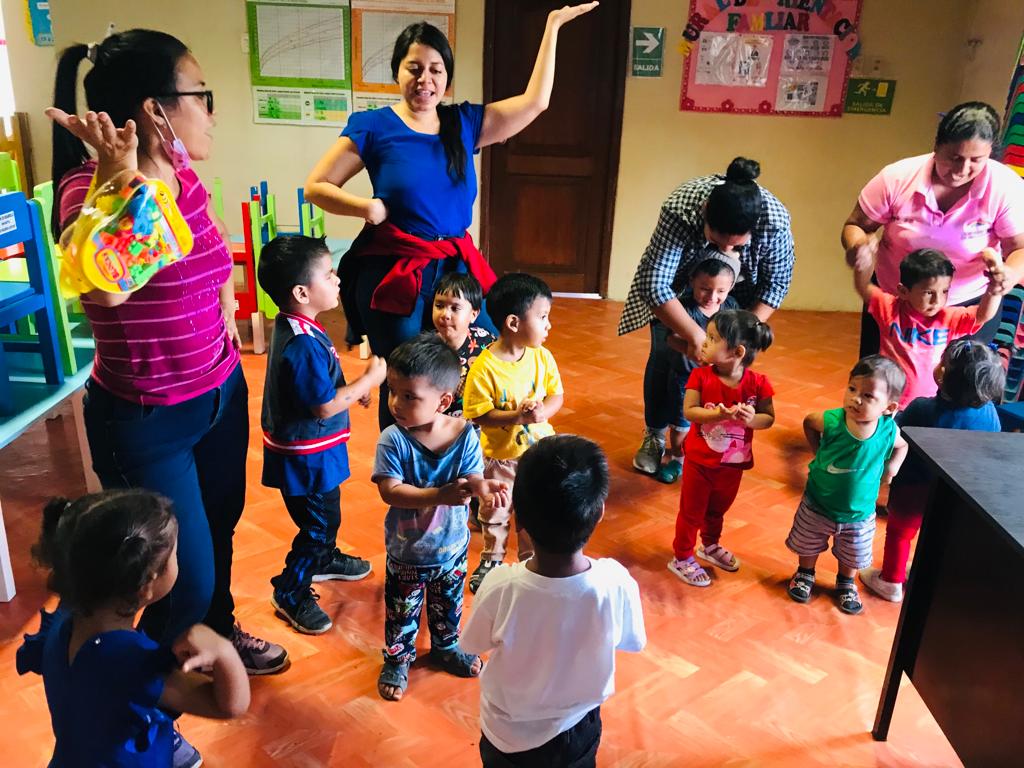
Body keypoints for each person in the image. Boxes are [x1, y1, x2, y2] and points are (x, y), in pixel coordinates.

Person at [47, 29, 287, 701]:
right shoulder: (84, 191)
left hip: (218, 392)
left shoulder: (179, 169)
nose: (211, 111)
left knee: (219, 529)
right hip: (148, 421)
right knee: (176, 579)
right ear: (155, 108)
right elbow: (109, 288)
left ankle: (216, 634)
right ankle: (143, 707)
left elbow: (209, 254)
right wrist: (119, 176)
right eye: (201, 94)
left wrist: (224, 322)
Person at [304, 4, 598, 428]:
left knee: (476, 357)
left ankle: (457, 453)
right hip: (396, 270)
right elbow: (317, 186)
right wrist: (365, 207)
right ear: (397, 72)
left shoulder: (463, 122)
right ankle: (401, 459)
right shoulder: (374, 126)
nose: (425, 79)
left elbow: (536, 102)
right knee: (404, 376)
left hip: (456, 267)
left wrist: (552, 26)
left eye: (435, 70)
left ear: (447, 76)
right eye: (414, 68)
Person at [16, 491, 249, 768]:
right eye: (175, 555)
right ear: (147, 584)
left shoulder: (64, 617)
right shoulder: (131, 662)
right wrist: (223, 650)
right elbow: (230, 705)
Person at [460, 435, 646, 768]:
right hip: (577, 730)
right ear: (599, 512)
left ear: (519, 519)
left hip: (505, 734)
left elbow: (472, 644)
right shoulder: (614, 582)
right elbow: (633, 641)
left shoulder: (501, 585)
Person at [618, 157, 794, 477]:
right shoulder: (681, 207)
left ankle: (701, 435)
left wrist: (737, 332)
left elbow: (776, 284)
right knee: (664, 355)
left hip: (736, 296)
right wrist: (696, 336)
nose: (725, 250)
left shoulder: (775, 222)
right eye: (716, 240)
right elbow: (655, 283)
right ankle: (655, 435)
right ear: (704, 213)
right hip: (679, 290)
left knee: (718, 372)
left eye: (736, 244)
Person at [257, 236, 387, 634]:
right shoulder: (302, 343)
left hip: (313, 450)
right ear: (301, 292)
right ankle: (290, 590)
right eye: (329, 275)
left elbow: (318, 385)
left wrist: (350, 388)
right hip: (305, 457)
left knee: (326, 515)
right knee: (316, 526)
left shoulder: (300, 326)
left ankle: (325, 558)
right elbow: (324, 406)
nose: (337, 281)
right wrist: (368, 381)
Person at [372, 334, 509, 701]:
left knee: (449, 604)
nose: (395, 403)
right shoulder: (393, 439)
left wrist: (482, 487)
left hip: (453, 547)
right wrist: (440, 495)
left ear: (444, 401)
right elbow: (390, 491)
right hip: (407, 551)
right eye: (392, 391)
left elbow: (471, 476)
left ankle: (446, 647)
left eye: (409, 396)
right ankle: (398, 659)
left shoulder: (465, 435)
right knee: (402, 611)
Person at [843, 101, 1024, 358]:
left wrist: (1009, 274)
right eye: (954, 158)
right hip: (896, 302)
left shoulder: (1005, 187)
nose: (962, 170)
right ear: (936, 147)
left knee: (959, 379)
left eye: (976, 160)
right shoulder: (897, 178)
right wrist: (859, 248)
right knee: (881, 376)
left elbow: (1019, 248)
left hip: (966, 307)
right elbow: (856, 226)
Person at [861, 340, 1005, 602]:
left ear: (943, 374)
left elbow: (893, 436)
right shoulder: (990, 414)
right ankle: (925, 576)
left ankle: (891, 581)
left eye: (942, 361)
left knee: (900, 534)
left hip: (913, 487)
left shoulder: (921, 409)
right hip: (956, 494)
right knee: (938, 535)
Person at [462, 273, 564, 593]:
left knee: (535, 508)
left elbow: (556, 395)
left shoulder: (542, 357)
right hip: (500, 457)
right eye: (542, 317)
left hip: (538, 453)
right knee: (496, 510)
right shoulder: (484, 368)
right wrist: (517, 416)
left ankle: (531, 559)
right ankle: (492, 559)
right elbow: (479, 414)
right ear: (514, 323)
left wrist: (542, 412)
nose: (548, 325)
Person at [785, 356, 909, 615]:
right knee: (808, 543)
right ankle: (805, 573)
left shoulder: (888, 431)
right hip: (818, 504)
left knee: (853, 552)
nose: (856, 399)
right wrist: (817, 451)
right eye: (852, 389)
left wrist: (892, 468)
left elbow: (902, 446)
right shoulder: (832, 420)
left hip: (859, 514)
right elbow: (809, 422)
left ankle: (845, 582)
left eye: (868, 396)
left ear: (889, 407)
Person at [667, 310, 775, 588]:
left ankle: (710, 545)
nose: (705, 342)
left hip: (733, 464)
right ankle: (682, 556)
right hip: (699, 462)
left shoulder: (758, 383)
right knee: (691, 512)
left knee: (717, 509)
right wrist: (717, 414)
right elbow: (690, 411)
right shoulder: (700, 376)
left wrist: (752, 419)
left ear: (737, 352)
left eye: (713, 338)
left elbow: (768, 419)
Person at [853, 247, 1001, 409]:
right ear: (903, 291)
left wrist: (994, 288)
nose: (937, 300)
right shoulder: (889, 308)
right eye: (929, 292)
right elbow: (863, 287)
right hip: (885, 399)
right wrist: (863, 262)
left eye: (944, 291)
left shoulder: (949, 318)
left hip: (927, 403)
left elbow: (983, 315)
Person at [655, 252, 742, 483]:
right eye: (705, 288)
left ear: (731, 287)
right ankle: (678, 457)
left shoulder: (731, 307)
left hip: (717, 380)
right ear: (692, 281)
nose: (712, 297)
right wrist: (693, 350)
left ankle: (707, 454)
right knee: (681, 420)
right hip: (685, 377)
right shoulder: (683, 308)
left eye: (720, 291)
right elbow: (670, 339)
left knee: (715, 418)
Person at [432, 272, 496, 418]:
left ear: (473, 315)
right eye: (439, 306)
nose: (445, 314)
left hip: (480, 421)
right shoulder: (425, 348)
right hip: (438, 424)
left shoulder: (486, 342)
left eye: (455, 308)